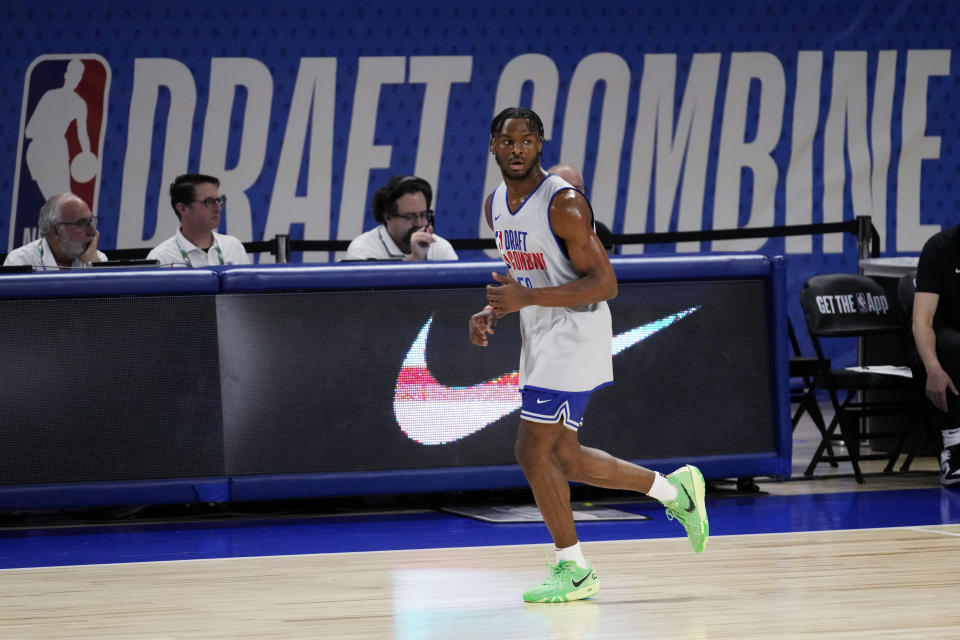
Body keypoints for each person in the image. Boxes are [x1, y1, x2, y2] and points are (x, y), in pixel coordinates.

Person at [469, 107, 709, 603]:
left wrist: (527, 299)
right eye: (508, 141)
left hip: (576, 331)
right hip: (540, 331)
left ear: (540, 146)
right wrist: (495, 310)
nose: (517, 150)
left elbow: (606, 283)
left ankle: (573, 568)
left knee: (530, 450)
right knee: (565, 457)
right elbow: (532, 275)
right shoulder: (495, 205)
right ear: (493, 144)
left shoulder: (565, 204)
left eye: (527, 141)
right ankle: (676, 492)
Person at [912, 226, 960, 486]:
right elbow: (922, 320)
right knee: (955, 346)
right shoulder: (940, 248)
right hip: (941, 344)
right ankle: (954, 448)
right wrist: (932, 368)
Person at [344, 175, 458, 261]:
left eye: (423, 215)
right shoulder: (363, 250)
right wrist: (415, 259)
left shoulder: (440, 248)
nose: (418, 223)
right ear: (388, 217)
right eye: (409, 216)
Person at [147, 173, 250, 267]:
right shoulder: (161, 258)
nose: (218, 208)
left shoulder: (233, 246)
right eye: (209, 202)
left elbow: (250, 287)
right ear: (183, 208)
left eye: (219, 201)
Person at [3, 193, 105, 269]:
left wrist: (93, 263)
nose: (93, 232)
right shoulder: (20, 261)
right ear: (56, 230)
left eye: (92, 221)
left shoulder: (96, 258)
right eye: (81, 224)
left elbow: (109, 296)